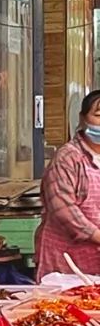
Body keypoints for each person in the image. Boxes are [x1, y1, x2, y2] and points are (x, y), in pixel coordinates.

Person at [35, 89, 100, 281]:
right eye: (99, 114)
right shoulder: (68, 157)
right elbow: (63, 209)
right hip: (66, 265)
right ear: (82, 118)